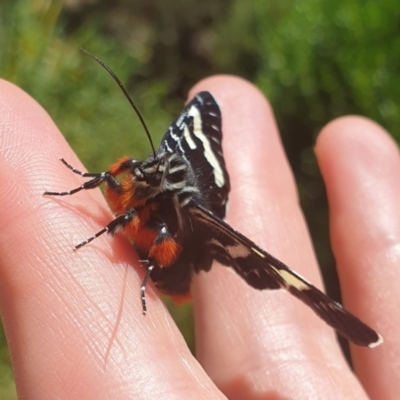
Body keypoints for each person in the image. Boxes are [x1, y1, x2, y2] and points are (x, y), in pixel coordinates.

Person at [0, 76, 396, 399]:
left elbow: (165, 231)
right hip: (161, 232)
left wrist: (110, 233)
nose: (139, 171)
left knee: (159, 223)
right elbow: (120, 167)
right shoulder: (148, 177)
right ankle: (80, 197)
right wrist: (92, 185)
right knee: (126, 187)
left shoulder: (183, 210)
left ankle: (136, 261)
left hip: (174, 263)